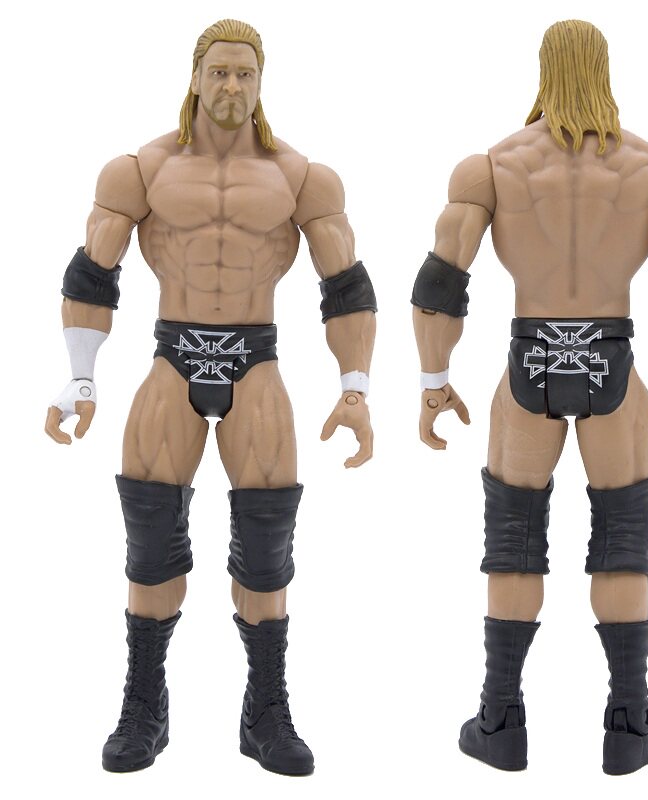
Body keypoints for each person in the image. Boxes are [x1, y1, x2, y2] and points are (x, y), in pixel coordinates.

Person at [45, 18, 376, 776]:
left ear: (261, 83)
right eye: (219, 71)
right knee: (150, 544)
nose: (231, 85)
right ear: (195, 76)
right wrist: (81, 375)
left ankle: (266, 712)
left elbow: (346, 285)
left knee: (266, 551)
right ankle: (144, 705)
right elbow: (93, 271)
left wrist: (354, 388)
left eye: (244, 73)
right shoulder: (141, 170)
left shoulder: (301, 177)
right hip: (173, 358)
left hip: (257, 362)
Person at [411, 19, 648, 775]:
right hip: (614, 360)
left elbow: (440, 283)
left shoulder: (493, 167)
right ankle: (629, 726)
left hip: (530, 361)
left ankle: (499, 722)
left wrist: (433, 382)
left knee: (513, 541)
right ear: (603, 70)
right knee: (624, 543)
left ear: (544, 69)